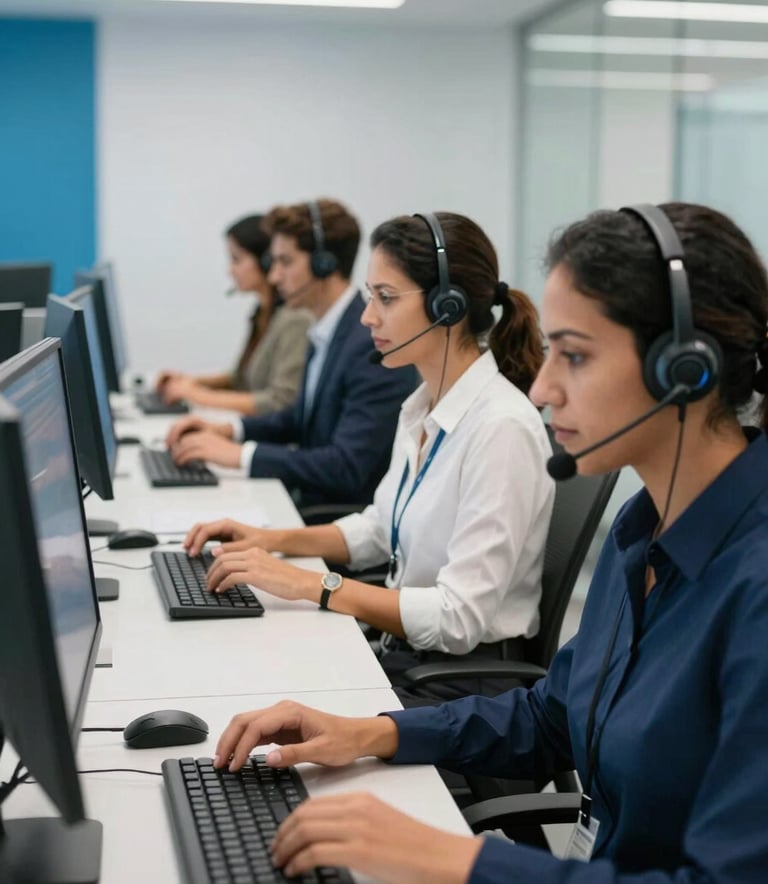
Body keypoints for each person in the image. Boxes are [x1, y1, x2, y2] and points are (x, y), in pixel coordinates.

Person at [209, 203, 768, 882]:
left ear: (686, 368)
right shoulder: (643, 532)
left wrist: (455, 860)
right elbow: (550, 716)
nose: (542, 386)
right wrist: (372, 733)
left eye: (577, 356)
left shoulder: (751, 588)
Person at [184, 212, 554, 700]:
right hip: (408, 657)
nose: (367, 317)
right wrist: (270, 539)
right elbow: (380, 528)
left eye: (386, 298)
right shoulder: (424, 406)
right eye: (368, 297)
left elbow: (459, 619)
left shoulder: (501, 429)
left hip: (464, 689)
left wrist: (310, 584)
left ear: (449, 306)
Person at [166, 199, 417, 510]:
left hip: (336, 520)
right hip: (308, 502)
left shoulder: (370, 343)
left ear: (324, 264)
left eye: (286, 262)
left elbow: (346, 467)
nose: (274, 277)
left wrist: (241, 456)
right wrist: (231, 430)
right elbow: (299, 419)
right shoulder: (325, 330)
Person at [155, 214, 312, 416]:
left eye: (236, 260)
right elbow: (241, 379)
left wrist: (197, 395)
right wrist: (189, 382)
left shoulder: (294, 320)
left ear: (265, 262)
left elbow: (280, 401)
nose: (230, 271)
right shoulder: (262, 313)